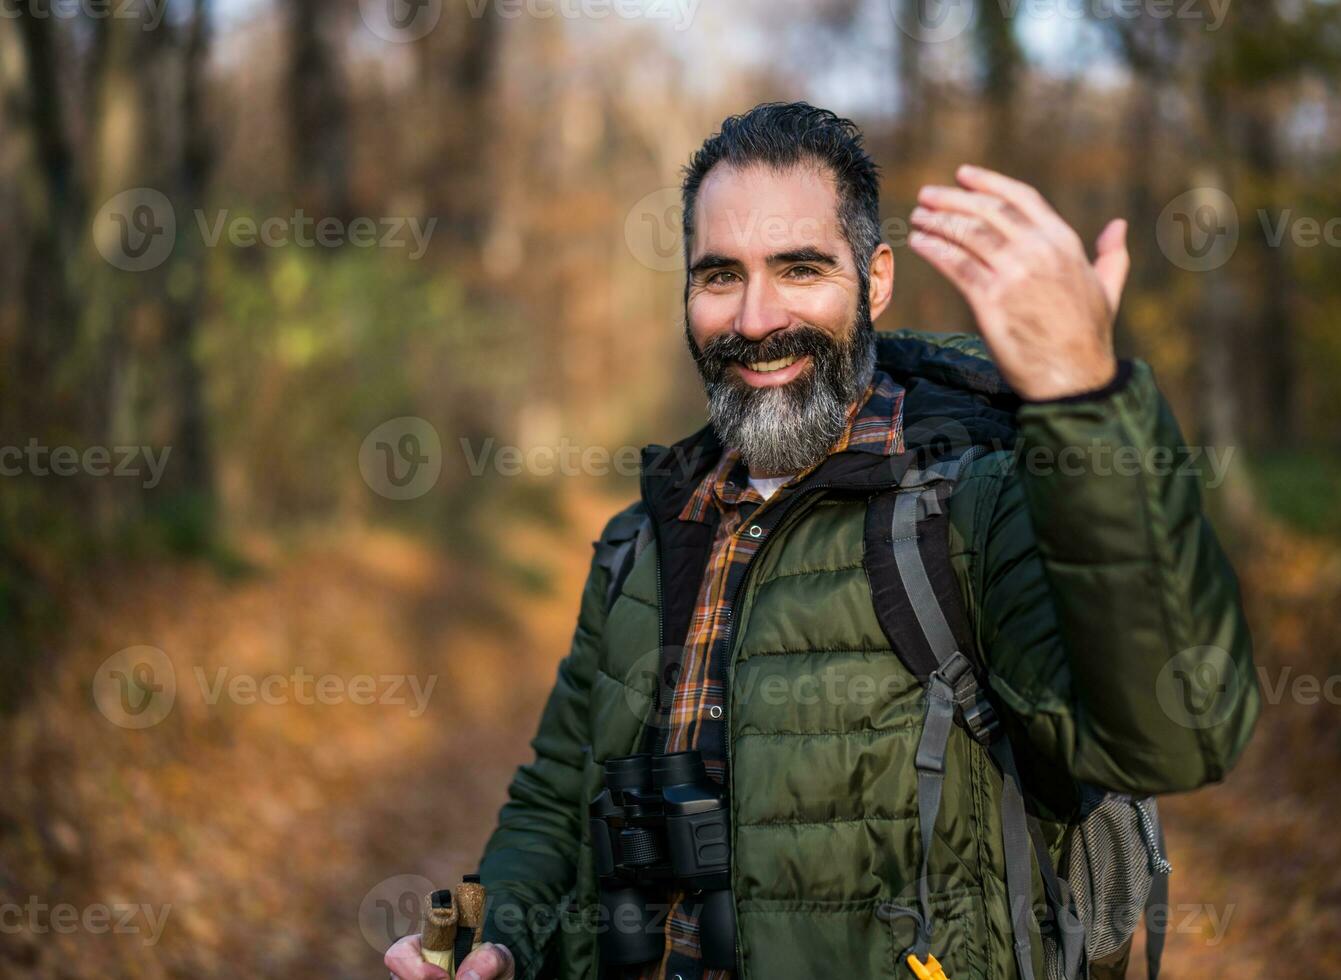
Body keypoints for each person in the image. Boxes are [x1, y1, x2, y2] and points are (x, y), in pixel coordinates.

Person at [387, 101, 1259, 980]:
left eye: (799, 269)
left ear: (875, 281)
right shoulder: (640, 541)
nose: (757, 319)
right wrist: (498, 939)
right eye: (720, 275)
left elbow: (1176, 733)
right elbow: (554, 802)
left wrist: (1086, 404)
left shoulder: (978, 509)